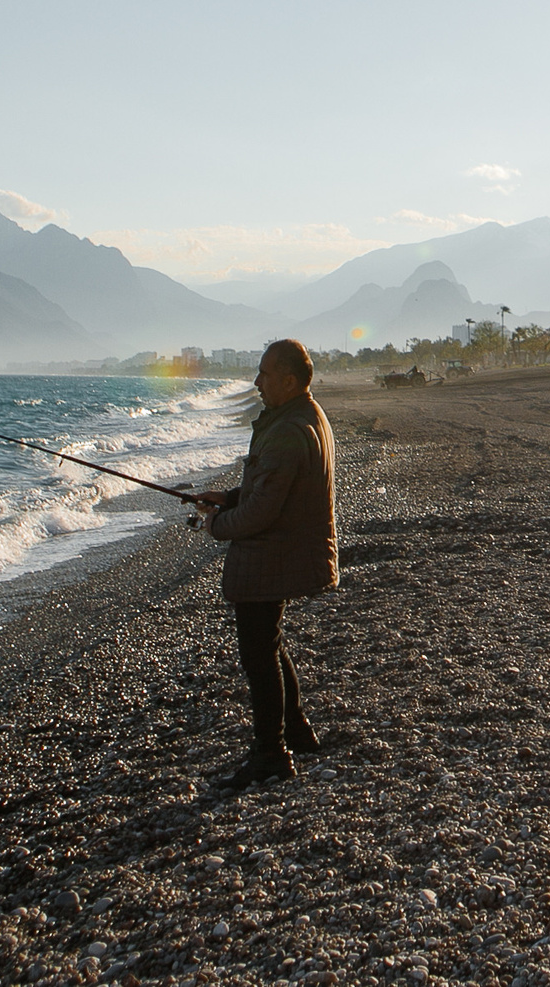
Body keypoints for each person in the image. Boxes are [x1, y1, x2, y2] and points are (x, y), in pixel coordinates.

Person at [193, 338, 338, 789]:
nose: (257, 383)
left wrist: (217, 523)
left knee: (259, 655)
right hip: (282, 550)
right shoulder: (301, 417)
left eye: (264, 374)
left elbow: (262, 512)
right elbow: (272, 490)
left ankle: (272, 755)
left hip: (272, 554)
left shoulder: (290, 431)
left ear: (289, 380)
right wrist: (230, 497)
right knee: (268, 644)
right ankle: (297, 732)